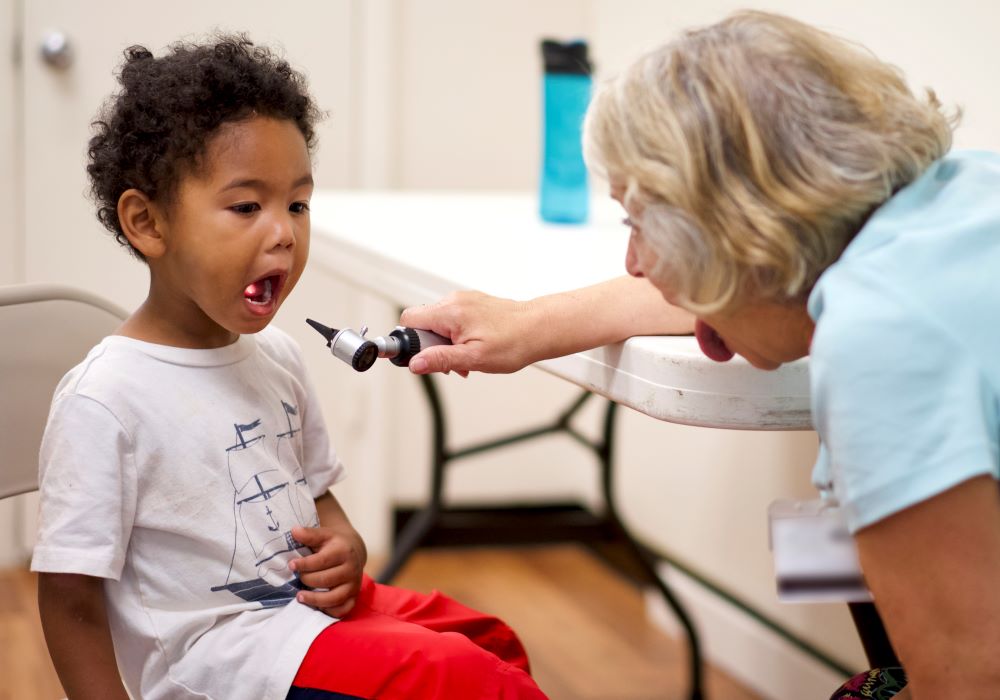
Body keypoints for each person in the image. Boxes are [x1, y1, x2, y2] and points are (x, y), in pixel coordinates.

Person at [400, 11, 1000, 700]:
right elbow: (733, 285)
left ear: (738, 227)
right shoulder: (961, 195)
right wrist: (532, 323)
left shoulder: (885, 340)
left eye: (640, 224)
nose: (633, 263)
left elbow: (967, 680)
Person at [30, 36, 546, 700]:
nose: (284, 233)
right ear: (147, 223)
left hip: (306, 617)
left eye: (297, 204)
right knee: (466, 680)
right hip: (225, 657)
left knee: (490, 642)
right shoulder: (106, 399)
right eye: (247, 207)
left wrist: (347, 547)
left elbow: (318, 495)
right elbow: (69, 596)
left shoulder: (277, 357)